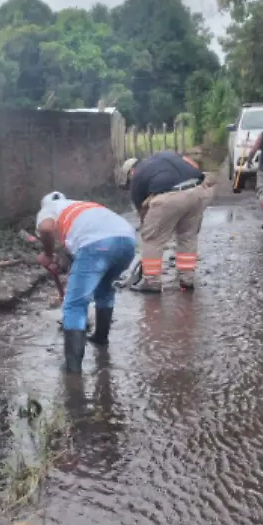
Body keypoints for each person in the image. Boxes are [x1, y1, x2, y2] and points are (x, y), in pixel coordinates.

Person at [34, 192, 136, 373]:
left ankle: (73, 369)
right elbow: (79, 254)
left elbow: (46, 229)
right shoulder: (81, 206)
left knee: (74, 304)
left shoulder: (49, 209)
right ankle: (100, 338)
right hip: (127, 241)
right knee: (105, 289)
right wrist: (62, 264)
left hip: (96, 245)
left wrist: (48, 255)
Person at [128, 150, 212, 293]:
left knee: (152, 238)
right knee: (188, 236)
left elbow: (143, 214)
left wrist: (149, 228)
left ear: (131, 171)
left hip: (170, 196)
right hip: (197, 191)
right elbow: (193, 164)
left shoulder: (137, 176)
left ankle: (151, 281)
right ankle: (187, 279)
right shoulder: (164, 156)